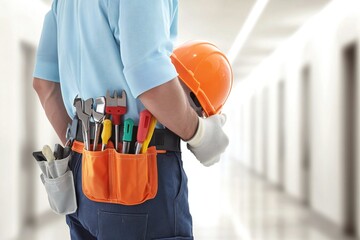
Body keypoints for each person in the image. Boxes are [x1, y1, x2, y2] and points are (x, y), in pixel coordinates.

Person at [33, 0, 229, 239]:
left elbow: (45, 86)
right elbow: (150, 80)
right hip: (138, 186)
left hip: (81, 179)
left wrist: (86, 149)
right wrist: (200, 134)